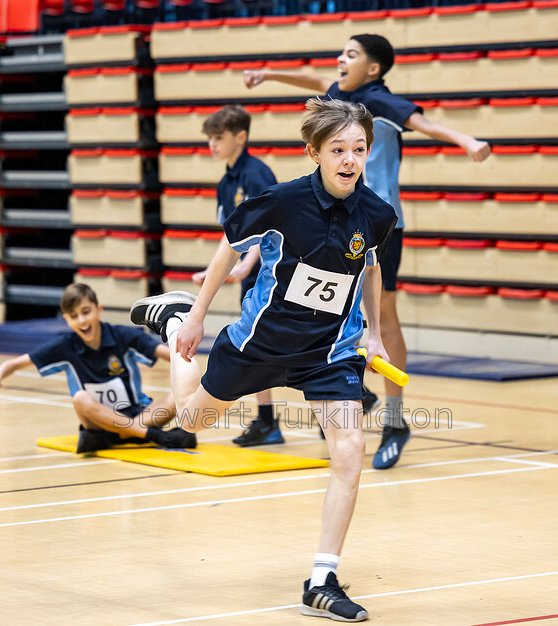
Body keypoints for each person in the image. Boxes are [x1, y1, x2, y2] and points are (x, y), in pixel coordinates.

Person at [131, 98, 396, 622]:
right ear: (315, 153)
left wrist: (376, 333)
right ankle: (173, 315)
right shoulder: (281, 201)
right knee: (190, 421)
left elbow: (370, 268)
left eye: (358, 150)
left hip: (328, 351)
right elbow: (229, 247)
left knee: (350, 449)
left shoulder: (378, 214)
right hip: (259, 343)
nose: (349, 160)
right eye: (337, 150)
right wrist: (199, 313)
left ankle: (321, 580)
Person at [243, 33, 491, 470]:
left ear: (372, 68)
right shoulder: (341, 93)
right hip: (331, 219)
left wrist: (467, 141)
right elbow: (314, 78)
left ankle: (395, 420)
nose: (340, 59)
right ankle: (352, 391)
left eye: (351, 54)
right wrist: (270, 74)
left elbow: (428, 124)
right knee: (327, 307)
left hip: (377, 226)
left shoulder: (382, 101)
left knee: (384, 315)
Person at [0, 283, 195, 453]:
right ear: (66, 320)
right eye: (74, 316)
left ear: (98, 309)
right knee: (79, 398)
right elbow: (14, 363)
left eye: (86, 311)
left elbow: (171, 356)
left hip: (139, 415)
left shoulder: (123, 335)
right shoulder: (64, 345)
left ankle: (114, 437)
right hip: (97, 421)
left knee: (178, 394)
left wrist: (188, 364)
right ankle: (157, 437)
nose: (82, 320)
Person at [192, 104, 282, 447]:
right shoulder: (226, 182)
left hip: (274, 273)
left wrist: (248, 263)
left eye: (219, 138)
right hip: (253, 275)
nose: (212, 144)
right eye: (210, 138)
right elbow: (232, 235)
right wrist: (217, 268)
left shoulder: (256, 175)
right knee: (258, 346)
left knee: (265, 346)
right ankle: (267, 422)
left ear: (240, 137)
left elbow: (269, 225)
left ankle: (352, 395)